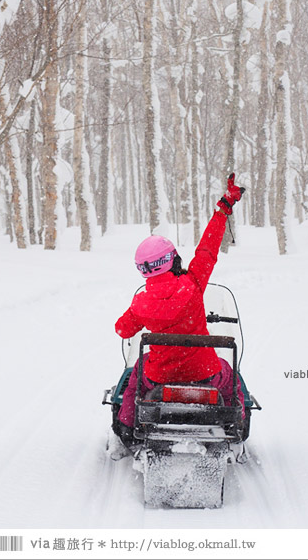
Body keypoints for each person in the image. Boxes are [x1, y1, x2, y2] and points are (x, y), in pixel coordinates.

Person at [113, 174, 246, 447]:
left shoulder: (142, 303)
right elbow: (207, 250)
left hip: (160, 377)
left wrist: (140, 319)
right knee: (232, 376)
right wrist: (223, 208)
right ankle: (237, 424)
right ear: (172, 259)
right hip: (205, 372)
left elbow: (122, 329)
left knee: (134, 378)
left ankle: (126, 428)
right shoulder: (192, 284)